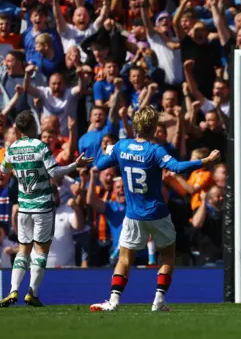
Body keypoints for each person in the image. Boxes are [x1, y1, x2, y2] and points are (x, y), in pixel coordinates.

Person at [89, 106, 221, 312]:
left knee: (124, 258)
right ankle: (158, 301)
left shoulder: (122, 146)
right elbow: (177, 167)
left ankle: (113, 301)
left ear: (136, 126)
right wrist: (206, 161)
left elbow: (98, 166)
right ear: (153, 127)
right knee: (167, 256)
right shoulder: (155, 150)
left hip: (133, 215)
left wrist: (108, 150)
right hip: (158, 212)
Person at [0, 110, 93, 308]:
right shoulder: (40, 146)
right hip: (42, 205)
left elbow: (3, 170)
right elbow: (54, 172)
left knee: (23, 250)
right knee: (40, 250)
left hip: (24, 207)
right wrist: (76, 164)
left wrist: (20, 171)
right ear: (33, 126)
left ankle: (13, 289)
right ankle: (32, 293)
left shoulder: (12, 148)